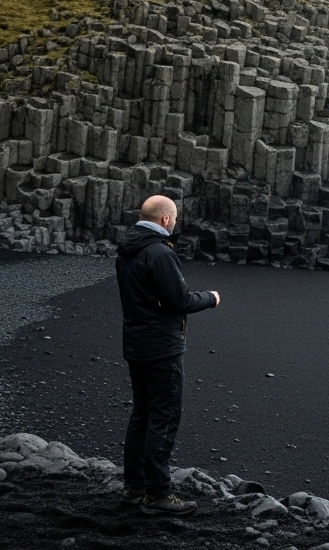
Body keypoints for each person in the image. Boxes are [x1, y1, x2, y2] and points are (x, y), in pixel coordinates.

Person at [115, 195, 220, 515]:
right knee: (163, 417)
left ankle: (133, 487)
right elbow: (181, 300)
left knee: (142, 415)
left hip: (136, 344)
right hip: (161, 348)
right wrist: (211, 298)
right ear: (164, 220)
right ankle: (157, 494)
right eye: (173, 219)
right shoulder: (159, 252)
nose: (175, 224)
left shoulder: (127, 251)